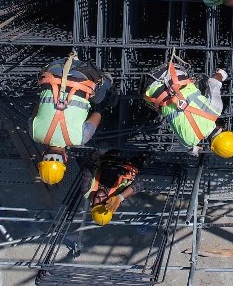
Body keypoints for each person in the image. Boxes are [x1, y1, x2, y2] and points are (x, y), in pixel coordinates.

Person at [31, 53, 118, 186]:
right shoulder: (34, 133)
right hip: (54, 67)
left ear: (65, 158)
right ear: (43, 154)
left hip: (84, 73)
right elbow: (38, 105)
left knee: (103, 101)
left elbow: (98, 114)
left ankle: (106, 80)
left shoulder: (80, 138)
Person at [143, 62, 233, 158]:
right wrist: (192, 148)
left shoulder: (216, 110)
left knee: (200, 82)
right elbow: (186, 147)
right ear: (211, 146)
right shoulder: (188, 142)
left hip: (167, 72)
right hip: (149, 89)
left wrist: (222, 73)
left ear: (222, 129)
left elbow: (213, 82)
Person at [82, 150, 147, 226]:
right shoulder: (115, 200)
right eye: (104, 202)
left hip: (108, 156)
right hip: (129, 160)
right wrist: (120, 197)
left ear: (92, 204)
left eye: (97, 203)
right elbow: (141, 184)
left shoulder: (87, 190)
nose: (100, 198)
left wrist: (100, 152)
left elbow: (88, 167)